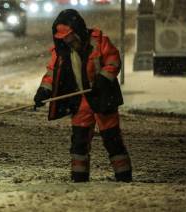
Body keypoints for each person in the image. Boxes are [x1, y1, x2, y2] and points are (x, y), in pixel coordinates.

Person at [33, 9, 132, 182]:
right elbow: (51, 74)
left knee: (112, 138)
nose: (66, 39)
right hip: (81, 102)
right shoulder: (61, 52)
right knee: (79, 141)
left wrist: (103, 79)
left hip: (103, 98)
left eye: (68, 35)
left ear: (77, 30)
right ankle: (79, 177)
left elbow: (113, 61)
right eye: (62, 36)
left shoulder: (99, 41)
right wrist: (43, 91)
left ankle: (123, 176)